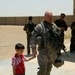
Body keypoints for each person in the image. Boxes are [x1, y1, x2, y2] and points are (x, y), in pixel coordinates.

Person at [30, 11, 64, 75]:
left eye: (51, 16)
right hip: (43, 52)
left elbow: (57, 37)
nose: (50, 17)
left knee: (48, 70)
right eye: (48, 16)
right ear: (44, 17)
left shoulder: (54, 26)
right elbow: (32, 38)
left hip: (52, 53)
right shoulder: (40, 27)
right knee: (43, 70)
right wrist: (33, 49)